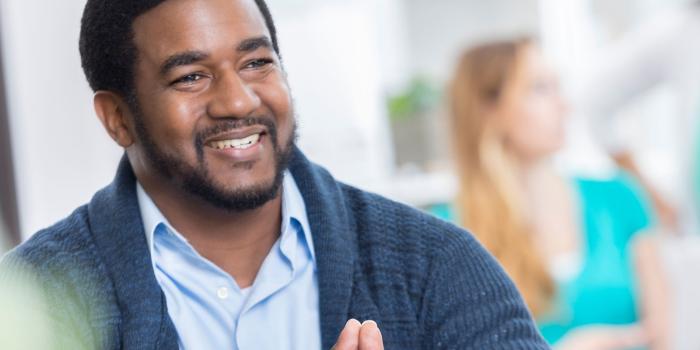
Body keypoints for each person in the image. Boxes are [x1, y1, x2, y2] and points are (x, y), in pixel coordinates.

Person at [0, 0, 548, 349]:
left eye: (257, 63)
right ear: (118, 117)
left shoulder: (435, 267)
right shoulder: (37, 303)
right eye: (191, 77)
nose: (238, 100)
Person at [445, 37, 658, 349]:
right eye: (539, 89)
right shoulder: (450, 234)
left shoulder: (620, 199)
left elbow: (662, 336)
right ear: (488, 109)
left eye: (558, 86)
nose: (563, 105)